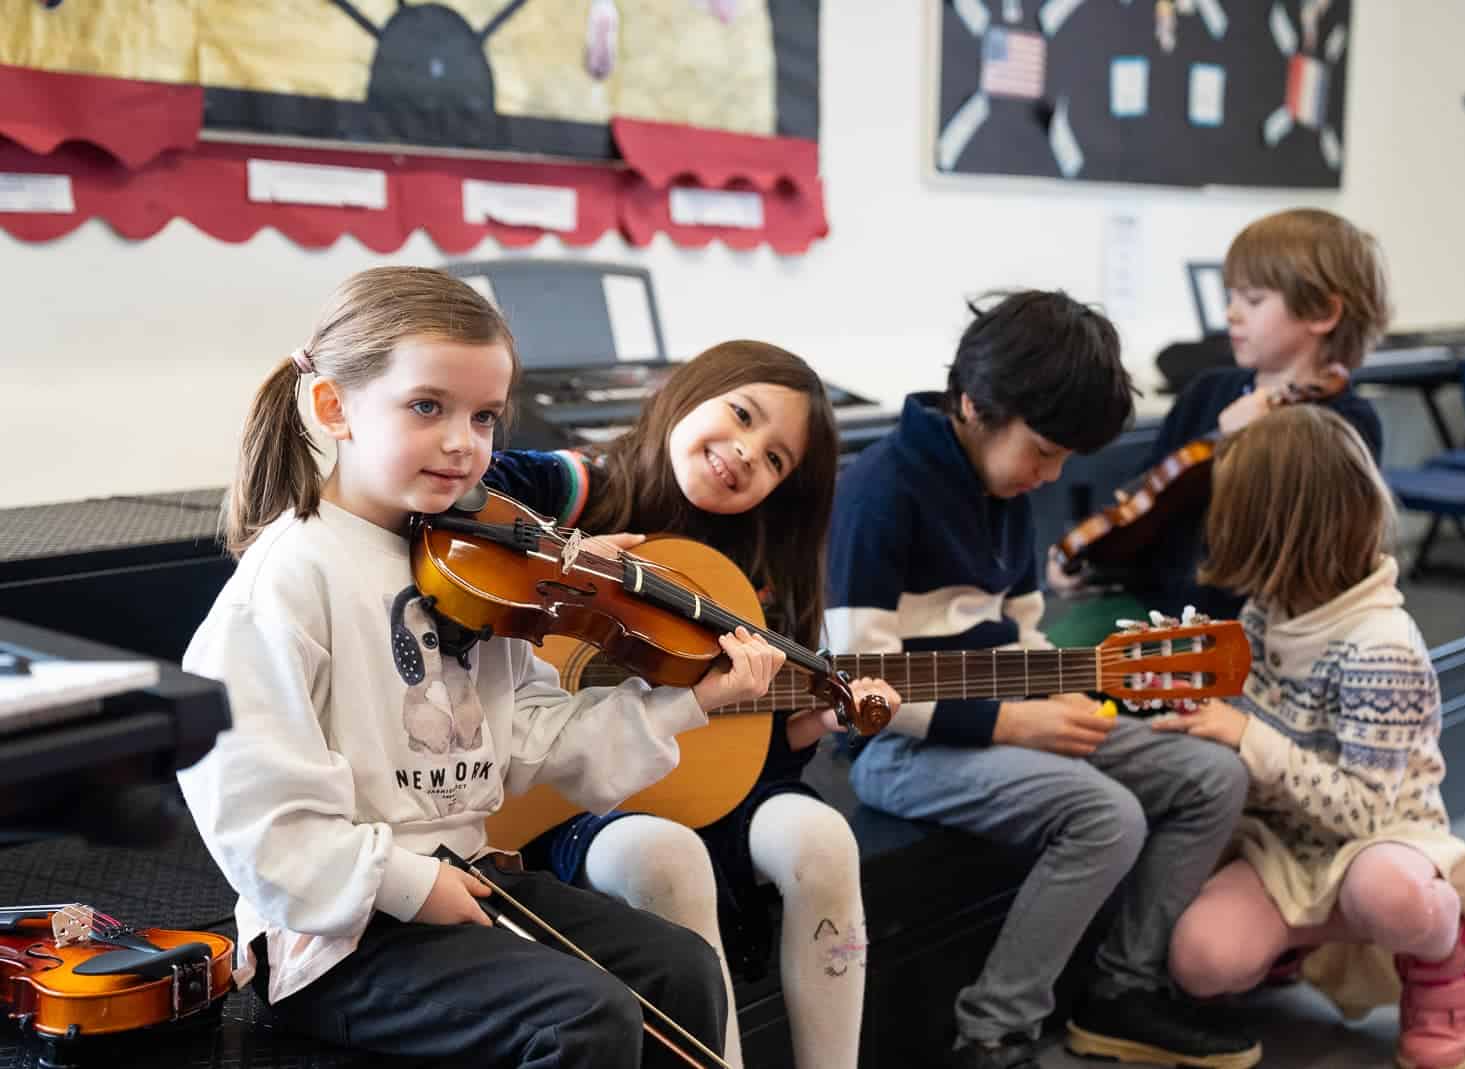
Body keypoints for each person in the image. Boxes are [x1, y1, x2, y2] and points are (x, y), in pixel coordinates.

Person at [176, 266, 787, 1069]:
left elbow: (530, 737)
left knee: (682, 966)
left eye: (485, 416)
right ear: (335, 408)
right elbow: (259, 820)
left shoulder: (472, 562)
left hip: (464, 879)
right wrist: (410, 884)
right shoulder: (290, 578)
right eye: (427, 406)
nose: (464, 443)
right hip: (340, 936)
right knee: (582, 1017)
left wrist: (686, 702)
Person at [826, 289, 1259, 1069]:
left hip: (998, 717)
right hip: (899, 749)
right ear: (974, 403)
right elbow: (859, 681)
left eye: (1063, 460)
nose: (1049, 475)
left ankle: (1121, 993)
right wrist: (1007, 723)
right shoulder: (879, 490)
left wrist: (1052, 691)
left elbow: (1021, 628)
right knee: (1108, 815)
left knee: (1213, 775)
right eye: (1043, 451)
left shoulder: (1005, 488)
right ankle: (992, 1032)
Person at [485, 340, 901, 1069]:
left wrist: (824, 717)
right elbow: (459, 486)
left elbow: (762, 744)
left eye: (776, 460)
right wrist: (556, 553)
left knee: (823, 839)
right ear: (691, 389)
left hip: (715, 789)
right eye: (741, 414)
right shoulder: (582, 485)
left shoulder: (760, 569)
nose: (745, 453)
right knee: (663, 853)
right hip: (573, 799)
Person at [1158, 405, 1465, 1069]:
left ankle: (1441, 954)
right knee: (1200, 960)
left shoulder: (1381, 645)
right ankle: (1293, 943)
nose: (1217, 531)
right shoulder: (1266, 610)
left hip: (1379, 842)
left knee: (1387, 894)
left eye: (1233, 517)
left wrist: (1245, 733)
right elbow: (1242, 710)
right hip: (1282, 846)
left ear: (1276, 530)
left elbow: (1363, 809)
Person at [1078, 207, 1392, 621]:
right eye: (1231, 296)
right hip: (1153, 603)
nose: (1231, 313)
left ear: (1323, 313)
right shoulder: (1207, 391)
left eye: (1254, 300)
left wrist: (1231, 443)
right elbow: (1149, 507)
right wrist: (1093, 560)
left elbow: (1300, 552)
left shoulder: (1346, 421)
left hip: (1249, 625)